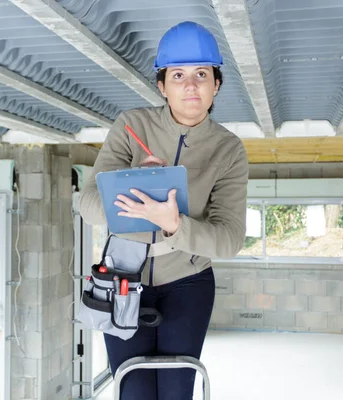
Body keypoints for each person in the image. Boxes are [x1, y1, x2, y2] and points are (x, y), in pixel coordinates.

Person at [79, 21, 249, 400]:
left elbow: (230, 239)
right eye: (178, 75)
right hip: (122, 279)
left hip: (188, 282)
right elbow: (87, 203)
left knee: (176, 389)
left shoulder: (229, 149)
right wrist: (130, 186)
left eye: (202, 74)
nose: (190, 85)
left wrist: (176, 225)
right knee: (132, 390)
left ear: (216, 84)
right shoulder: (130, 126)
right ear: (162, 85)